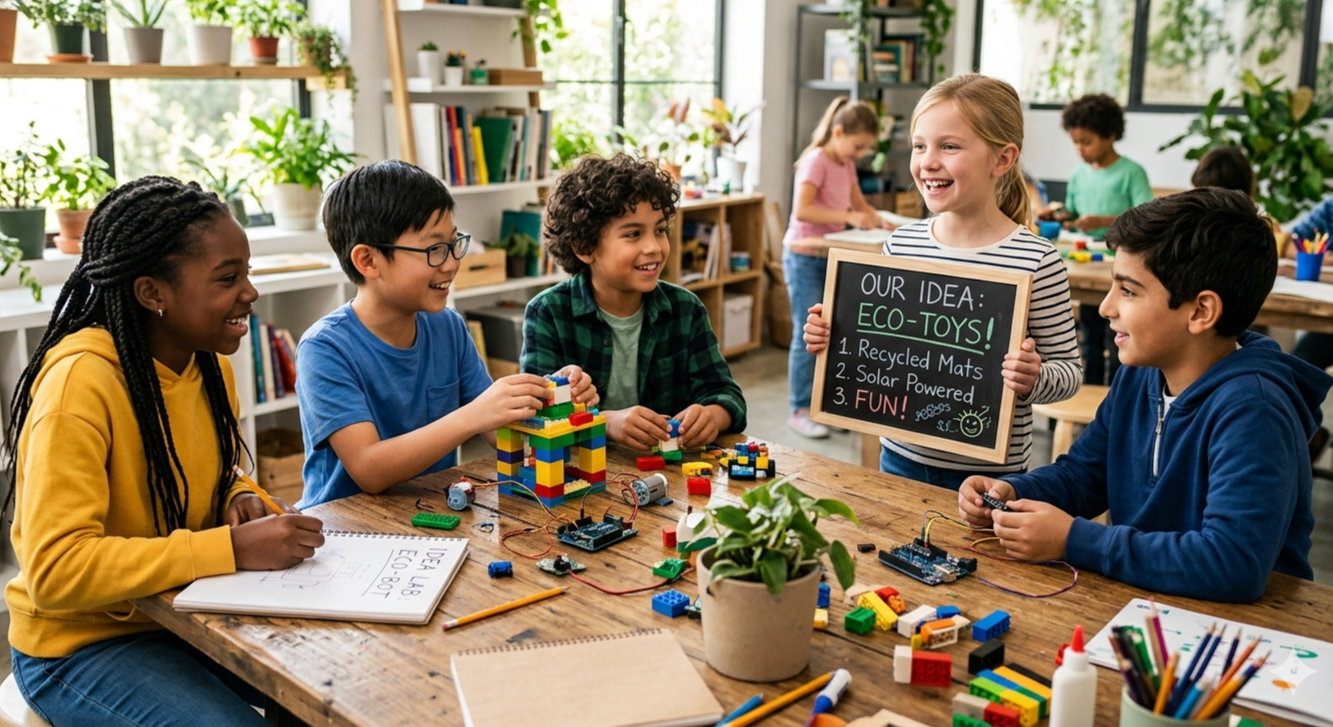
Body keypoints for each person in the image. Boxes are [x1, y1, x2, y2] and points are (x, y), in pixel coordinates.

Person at [4, 176, 325, 726]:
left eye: (246, 272)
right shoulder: (79, 385)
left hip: (182, 613)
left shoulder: (210, 364)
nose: (249, 291)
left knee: (327, 688)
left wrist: (239, 495)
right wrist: (229, 548)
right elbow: (56, 570)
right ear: (153, 293)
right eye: (229, 278)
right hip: (81, 643)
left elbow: (217, 467)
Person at [959, 188, 1331, 602]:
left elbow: (1233, 564)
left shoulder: (1254, 410)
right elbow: (1085, 474)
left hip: (1246, 635)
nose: (1105, 307)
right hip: (1145, 604)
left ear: (1201, 312)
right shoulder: (1139, 374)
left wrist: (1075, 541)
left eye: (1129, 291)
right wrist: (1015, 493)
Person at [805, 74, 1082, 489]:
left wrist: (1034, 378)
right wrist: (831, 335)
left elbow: (1069, 372)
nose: (927, 161)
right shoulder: (901, 244)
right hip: (899, 456)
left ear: (1002, 160)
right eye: (920, 146)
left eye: (949, 146)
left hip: (990, 474)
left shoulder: (1036, 261)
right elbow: (877, 347)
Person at [297, 161, 595, 507]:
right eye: (434, 249)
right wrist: (475, 414)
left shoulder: (447, 327)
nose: (452, 262)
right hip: (344, 530)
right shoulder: (325, 349)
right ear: (368, 261)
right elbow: (369, 469)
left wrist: (550, 402)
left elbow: (498, 435)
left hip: (430, 514)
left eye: (455, 244)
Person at [521, 153, 746, 451]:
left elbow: (727, 395)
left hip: (671, 475)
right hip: (582, 478)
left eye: (660, 230)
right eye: (633, 234)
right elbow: (536, 419)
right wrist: (606, 423)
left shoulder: (685, 309)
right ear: (584, 247)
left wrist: (712, 416)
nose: (654, 247)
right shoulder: (548, 312)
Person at [784, 97, 893, 439]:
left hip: (833, 254)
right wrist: (848, 217)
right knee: (808, 333)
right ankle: (800, 408)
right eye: (858, 145)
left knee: (837, 333)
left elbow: (857, 201)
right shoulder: (817, 161)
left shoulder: (845, 164)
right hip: (805, 256)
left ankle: (830, 404)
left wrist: (877, 218)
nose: (859, 154)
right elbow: (802, 211)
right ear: (839, 132)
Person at [1047, 93, 1153, 386]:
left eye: (1087, 141)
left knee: (1115, 337)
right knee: (1090, 336)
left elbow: (1146, 217)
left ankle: (1118, 396)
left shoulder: (1131, 172)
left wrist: (1103, 221)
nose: (1080, 149)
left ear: (1110, 136)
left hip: (1120, 265)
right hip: (1087, 262)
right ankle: (1090, 398)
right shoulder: (1079, 174)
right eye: (1075, 142)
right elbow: (1073, 213)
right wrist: (1058, 214)